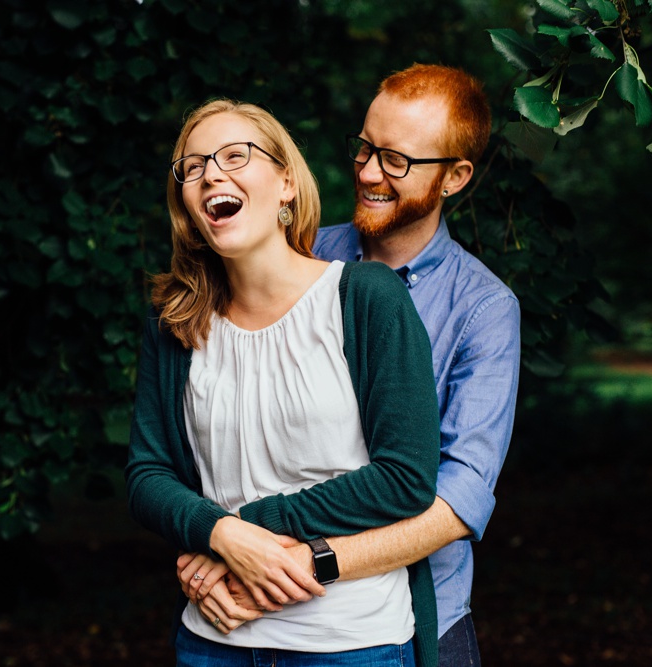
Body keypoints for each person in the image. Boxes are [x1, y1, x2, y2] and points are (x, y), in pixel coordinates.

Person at [181, 64, 521, 666]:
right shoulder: (299, 252)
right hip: (242, 617)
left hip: (422, 618)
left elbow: (455, 501)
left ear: (455, 177)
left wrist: (293, 563)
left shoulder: (482, 309)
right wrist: (213, 537)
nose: (366, 172)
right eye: (364, 148)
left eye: (396, 161)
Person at [125, 98, 444, 667]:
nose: (211, 174)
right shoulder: (174, 321)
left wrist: (239, 531)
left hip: (350, 644)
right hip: (213, 640)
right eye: (192, 167)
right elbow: (148, 475)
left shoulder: (367, 298)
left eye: (234, 156)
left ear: (287, 184)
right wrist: (218, 535)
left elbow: (405, 478)